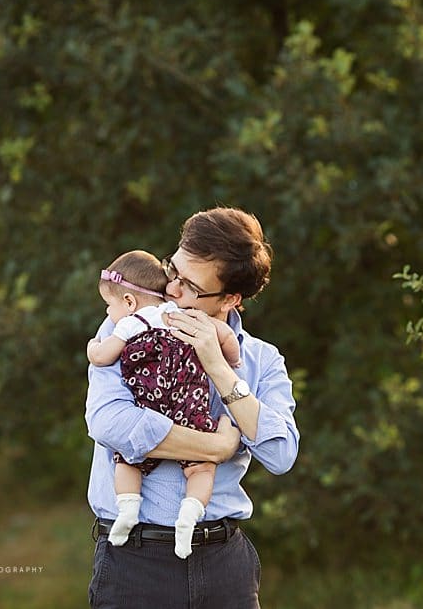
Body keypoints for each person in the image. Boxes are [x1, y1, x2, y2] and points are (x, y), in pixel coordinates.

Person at [85, 207, 299, 609]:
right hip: (135, 563)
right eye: (174, 272)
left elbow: (281, 454)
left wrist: (219, 369)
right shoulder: (128, 327)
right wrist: (216, 448)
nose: (172, 291)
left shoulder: (258, 360)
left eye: (190, 286)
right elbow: (109, 422)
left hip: (223, 565)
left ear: (231, 298)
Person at [86, 250, 241, 558]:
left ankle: (128, 509)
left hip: (150, 403)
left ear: (129, 303)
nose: (108, 313)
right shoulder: (182, 315)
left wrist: (93, 348)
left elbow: (104, 356)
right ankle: (189, 515)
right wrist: (232, 361)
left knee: (127, 460)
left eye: (109, 306)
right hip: (189, 400)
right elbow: (224, 336)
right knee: (201, 469)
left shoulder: (130, 324)